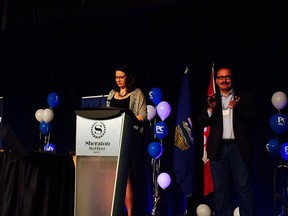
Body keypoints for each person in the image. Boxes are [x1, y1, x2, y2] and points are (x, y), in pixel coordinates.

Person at [198, 66, 257, 216]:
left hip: (238, 148)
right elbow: (202, 122)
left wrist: (238, 109)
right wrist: (210, 109)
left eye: (227, 77)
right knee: (220, 189)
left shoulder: (243, 97)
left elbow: (251, 117)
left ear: (232, 79)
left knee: (244, 187)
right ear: (216, 81)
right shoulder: (212, 99)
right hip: (218, 150)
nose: (224, 80)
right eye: (221, 78)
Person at [107, 64, 147, 216]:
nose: (118, 80)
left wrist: (127, 118)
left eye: (121, 77)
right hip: (112, 137)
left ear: (128, 78)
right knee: (112, 176)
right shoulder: (112, 93)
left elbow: (142, 116)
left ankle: (130, 213)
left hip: (130, 138)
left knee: (126, 176)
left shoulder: (137, 94)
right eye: (116, 77)